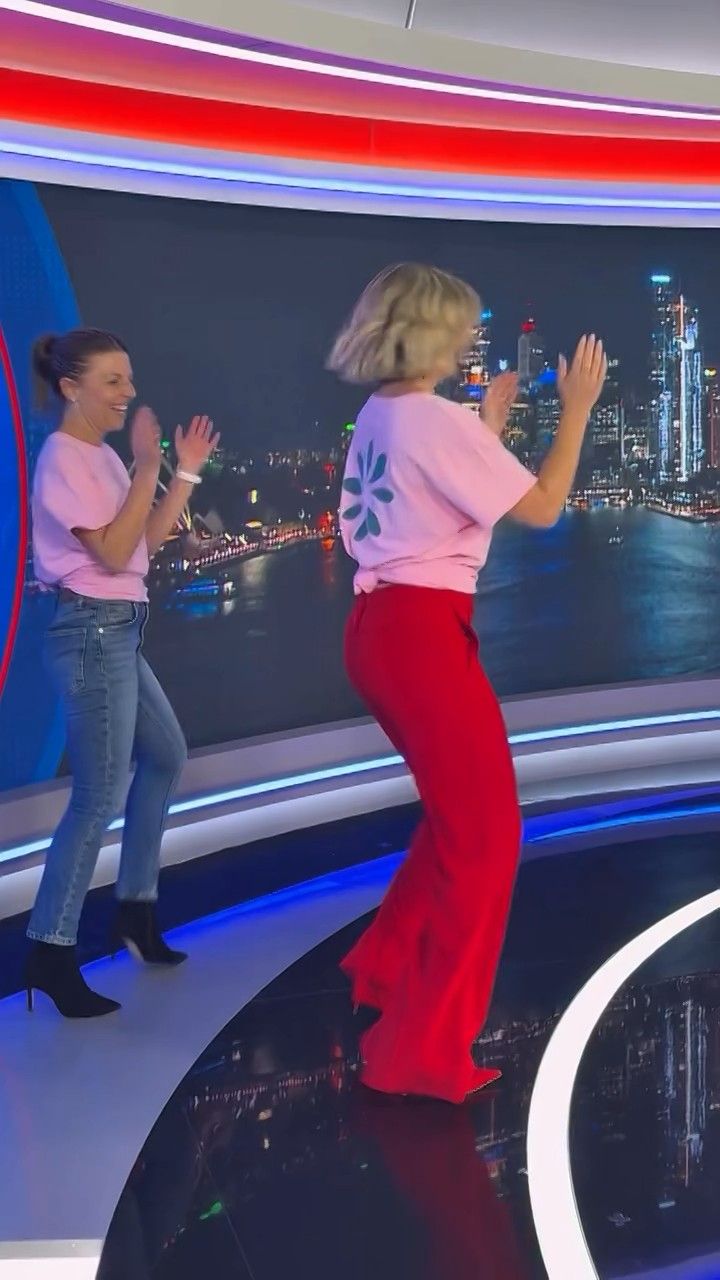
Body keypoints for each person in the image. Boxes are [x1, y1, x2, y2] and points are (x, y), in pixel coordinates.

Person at [328, 263, 606, 1102]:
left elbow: (426, 495)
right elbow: (544, 507)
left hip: (381, 632)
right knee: (487, 838)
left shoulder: (382, 414)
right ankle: (417, 1051)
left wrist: (485, 428)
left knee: (460, 823)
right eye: (459, 325)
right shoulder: (430, 418)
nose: (465, 339)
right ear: (429, 331)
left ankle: (386, 972)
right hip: (420, 636)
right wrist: (578, 408)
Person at [27, 328, 219, 1018]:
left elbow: (144, 543)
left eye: (128, 379)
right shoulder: (62, 460)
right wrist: (144, 466)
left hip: (118, 630)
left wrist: (182, 470)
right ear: (70, 387)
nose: (128, 392)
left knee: (165, 756)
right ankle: (50, 950)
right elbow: (110, 554)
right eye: (112, 381)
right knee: (98, 794)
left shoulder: (104, 458)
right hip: (90, 632)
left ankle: (134, 910)